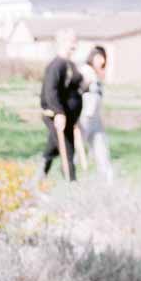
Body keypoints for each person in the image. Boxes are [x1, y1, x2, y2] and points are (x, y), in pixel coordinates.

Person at [39, 29, 83, 180]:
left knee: (52, 148)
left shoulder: (70, 64)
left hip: (70, 118)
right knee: (67, 151)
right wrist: (59, 112)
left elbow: (74, 87)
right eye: (73, 41)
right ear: (63, 42)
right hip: (56, 116)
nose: (75, 45)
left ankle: (38, 178)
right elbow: (50, 91)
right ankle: (72, 186)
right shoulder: (56, 65)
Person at [77, 44, 114, 182]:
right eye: (99, 58)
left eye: (103, 59)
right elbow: (77, 91)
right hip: (84, 117)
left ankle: (107, 180)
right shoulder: (85, 71)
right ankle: (70, 177)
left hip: (95, 119)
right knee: (77, 149)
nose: (101, 62)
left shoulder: (98, 76)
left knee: (101, 149)